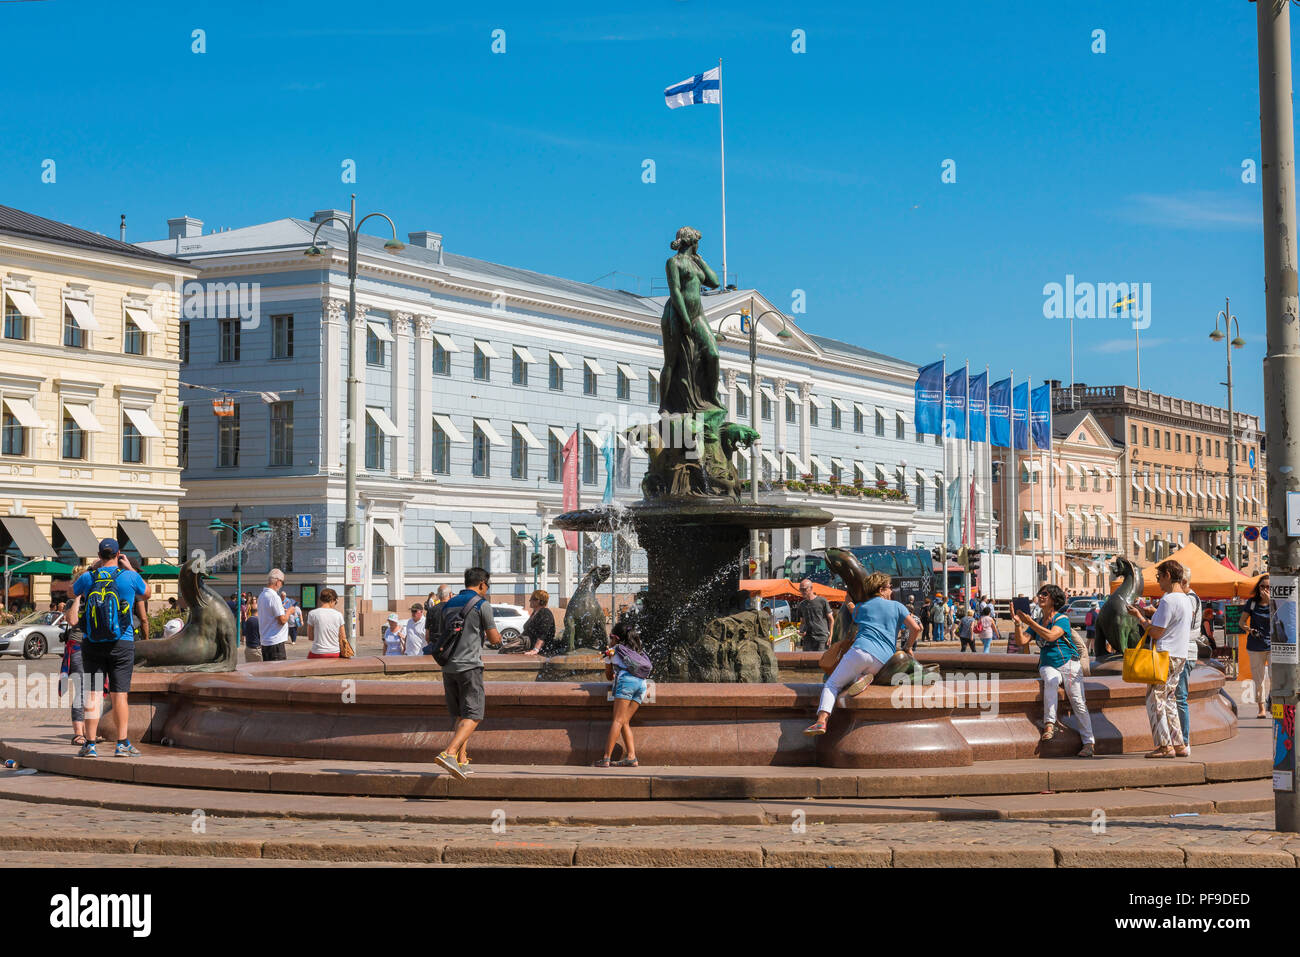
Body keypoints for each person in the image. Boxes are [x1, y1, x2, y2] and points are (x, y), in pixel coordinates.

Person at [804, 572, 921, 736]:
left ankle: (821, 721)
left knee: (832, 685)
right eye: (889, 588)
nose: (891, 591)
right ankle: (861, 677)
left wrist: (849, 594)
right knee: (862, 671)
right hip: (884, 661)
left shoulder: (863, 607)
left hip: (861, 651)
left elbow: (850, 605)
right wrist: (908, 647)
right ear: (881, 589)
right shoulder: (897, 606)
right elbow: (916, 628)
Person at [70, 540, 148, 758]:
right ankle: (122, 744)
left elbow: (70, 591)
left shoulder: (89, 577)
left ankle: (90, 744)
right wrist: (130, 567)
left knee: (93, 693)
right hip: (122, 642)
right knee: (119, 695)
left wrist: (90, 570)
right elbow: (147, 592)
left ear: (99, 555)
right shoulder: (129, 577)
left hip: (92, 643)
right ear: (118, 554)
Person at [433, 567, 502, 780]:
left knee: (462, 714)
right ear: (482, 583)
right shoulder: (482, 605)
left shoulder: (447, 605)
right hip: (469, 666)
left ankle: (461, 760)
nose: (487, 589)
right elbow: (493, 638)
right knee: (475, 714)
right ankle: (450, 753)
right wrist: (500, 640)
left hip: (448, 666)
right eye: (487, 586)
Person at [1012, 583, 1095, 757]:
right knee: (1050, 681)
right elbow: (1022, 641)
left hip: (1069, 664)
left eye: (1045, 594)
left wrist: (1031, 623)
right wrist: (1018, 624)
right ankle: (1049, 724)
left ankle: (1089, 743)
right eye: (1040, 594)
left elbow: (1050, 635)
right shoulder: (1038, 622)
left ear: (1054, 600)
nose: (1041, 596)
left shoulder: (1061, 619)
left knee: (1078, 701)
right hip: (1048, 665)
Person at [1126, 560, 1193, 758]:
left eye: (1159, 577)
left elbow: (1156, 632)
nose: (1158, 582)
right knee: (1169, 699)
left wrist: (1140, 619)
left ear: (1168, 576)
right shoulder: (1186, 600)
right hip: (1180, 654)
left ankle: (1165, 745)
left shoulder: (1168, 600)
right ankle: (1179, 743)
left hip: (1165, 655)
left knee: (1154, 700)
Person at [594, 621, 648, 767]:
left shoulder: (613, 651)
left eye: (611, 637)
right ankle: (632, 756)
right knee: (624, 721)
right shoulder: (637, 651)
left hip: (626, 683)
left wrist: (608, 660)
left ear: (616, 638)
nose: (610, 641)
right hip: (642, 685)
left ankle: (606, 758)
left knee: (617, 720)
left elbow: (608, 675)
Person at [1173, 569, 1202, 754]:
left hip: (1185, 652)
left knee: (1180, 698)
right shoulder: (1188, 598)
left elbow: (1185, 625)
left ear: (1183, 581)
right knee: (1178, 697)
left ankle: (1184, 741)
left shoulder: (1190, 599)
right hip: (1184, 651)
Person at [1243, 576, 1271, 720]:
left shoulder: (1275, 602)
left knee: (1275, 677)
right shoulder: (1252, 603)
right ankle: (1261, 708)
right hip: (1255, 645)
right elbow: (1241, 622)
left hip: (1273, 645)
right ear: (1258, 587)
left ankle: (1273, 702)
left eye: (1268, 587)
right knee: (1258, 679)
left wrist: (1270, 602)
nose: (1264, 589)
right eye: (1262, 587)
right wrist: (1250, 629)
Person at [257, 569, 291, 662]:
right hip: (275, 642)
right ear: (277, 581)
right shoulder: (274, 597)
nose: (282, 585)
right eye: (282, 582)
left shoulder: (262, 595)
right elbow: (282, 620)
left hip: (265, 641)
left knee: (268, 673)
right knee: (279, 673)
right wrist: (289, 611)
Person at [305, 588, 344, 659]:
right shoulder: (339, 615)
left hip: (317, 653)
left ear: (321, 599)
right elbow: (343, 637)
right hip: (335, 653)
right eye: (336, 602)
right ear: (332, 601)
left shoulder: (312, 613)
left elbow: (310, 637)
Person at [797, 579, 834, 653]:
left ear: (811, 588)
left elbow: (831, 620)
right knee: (807, 661)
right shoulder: (801, 605)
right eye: (800, 589)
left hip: (821, 638)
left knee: (820, 661)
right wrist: (801, 631)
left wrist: (830, 636)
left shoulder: (822, 601)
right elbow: (803, 622)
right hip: (808, 638)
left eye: (804, 589)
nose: (802, 592)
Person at [522, 589, 559, 656]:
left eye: (532, 599)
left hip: (544, 650)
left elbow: (543, 634)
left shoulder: (545, 612)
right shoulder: (535, 613)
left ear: (538, 601)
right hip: (529, 646)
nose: (530, 600)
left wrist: (536, 649)